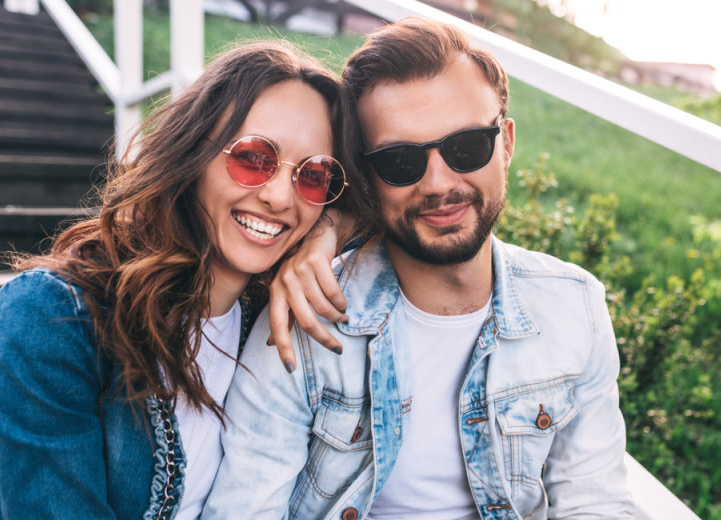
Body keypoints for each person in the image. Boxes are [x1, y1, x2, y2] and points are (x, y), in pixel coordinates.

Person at [202, 17, 635, 519]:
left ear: (507, 144)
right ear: (368, 175)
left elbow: (595, 502)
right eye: (401, 161)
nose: (437, 182)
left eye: (466, 147)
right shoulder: (303, 320)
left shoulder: (573, 306)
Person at [0, 40, 368, 520]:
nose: (279, 197)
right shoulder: (54, 320)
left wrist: (327, 229)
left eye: (314, 176)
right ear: (195, 150)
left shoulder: (268, 320)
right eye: (255, 158)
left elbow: (405, 217)